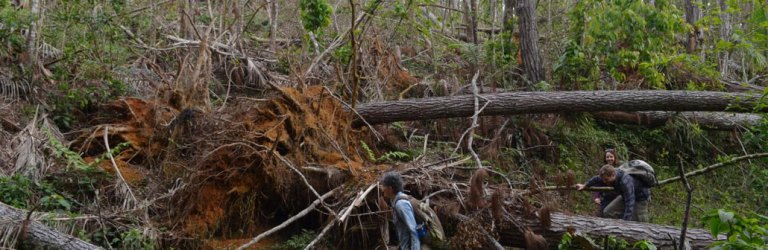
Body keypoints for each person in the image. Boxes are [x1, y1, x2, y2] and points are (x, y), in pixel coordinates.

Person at [576, 164, 650, 222]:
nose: (604, 182)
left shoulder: (625, 182)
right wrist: (585, 185)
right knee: (608, 212)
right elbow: (596, 179)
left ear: (613, 175)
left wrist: (626, 223)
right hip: (625, 195)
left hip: (640, 198)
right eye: (603, 179)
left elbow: (630, 202)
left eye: (606, 179)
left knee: (638, 221)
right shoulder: (608, 175)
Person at [379, 171, 420, 250]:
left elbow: (413, 230)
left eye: (384, 186)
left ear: (390, 188)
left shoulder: (401, 204)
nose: (382, 189)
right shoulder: (395, 201)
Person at [593, 149, 621, 217]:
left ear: (614, 157)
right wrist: (596, 197)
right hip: (605, 198)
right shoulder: (603, 170)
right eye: (607, 157)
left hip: (618, 198)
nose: (609, 159)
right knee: (602, 215)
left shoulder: (620, 169)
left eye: (611, 157)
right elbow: (598, 184)